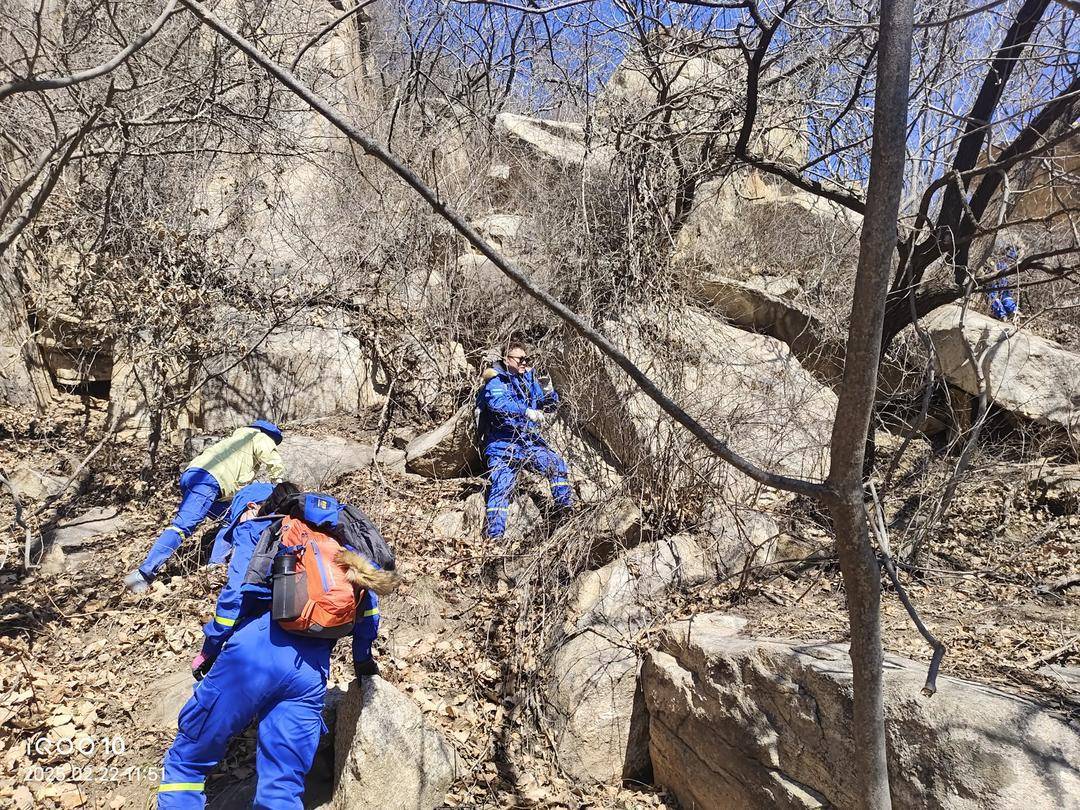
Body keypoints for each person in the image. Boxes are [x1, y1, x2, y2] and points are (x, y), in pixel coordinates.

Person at [157, 484, 395, 809]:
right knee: (282, 787)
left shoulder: (264, 530)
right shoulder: (343, 548)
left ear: (267, 506)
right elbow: (368, 615)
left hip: (251, 660)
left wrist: (208, 652)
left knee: (187, 762)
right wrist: (363, 663)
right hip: (311, 675)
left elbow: (231, 602)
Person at [124, 420, 286, 594]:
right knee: (183, 526)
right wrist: (279, 487)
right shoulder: (259, 436)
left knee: (230, 520)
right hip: (209, 481)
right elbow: (273, 460)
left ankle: (215, 567)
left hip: (194, 475)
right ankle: (142, 574)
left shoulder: (235, 438)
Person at [477, 340, 571, 539]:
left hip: (528, 442)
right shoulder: (495, 381)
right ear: (506, 359)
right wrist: (525, 411)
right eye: (520, 359)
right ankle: (495, 537)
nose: (524, 363)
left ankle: (565, 513)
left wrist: (549, 392)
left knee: (556, 465)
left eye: (526, 359)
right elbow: (498, 404)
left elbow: (549, 406)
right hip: (502, 445)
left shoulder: (528, 380)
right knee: (502, 487)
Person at [987, 245, 1019, 321]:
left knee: (993, 293)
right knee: (1004, 294)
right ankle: (1013, 310)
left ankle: (1002, 314)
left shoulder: (1000, 259)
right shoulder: (1013, 258)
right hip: (1006, 276)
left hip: (998, 275)